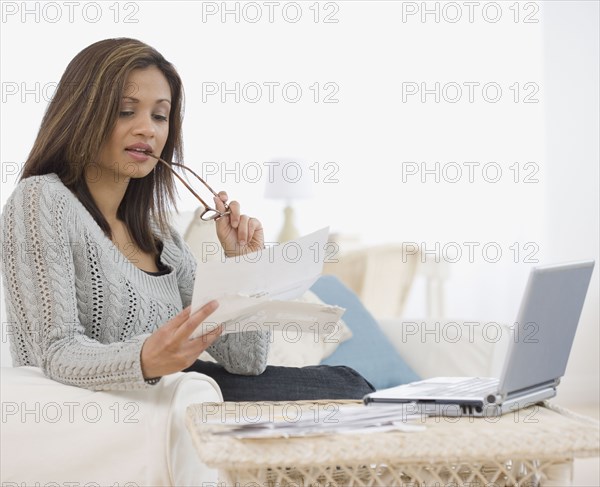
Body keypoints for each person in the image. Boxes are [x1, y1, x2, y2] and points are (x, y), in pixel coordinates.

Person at [0, 37, 374, 401]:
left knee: (347, 384)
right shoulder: (41, 199)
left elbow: (246, 362)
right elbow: (53, 352)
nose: (148, 128)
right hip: (116, 407)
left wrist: (243, 265)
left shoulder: (159, 234)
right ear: (83, 114)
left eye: (160, 115)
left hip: (176, 397)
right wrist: (145, 359)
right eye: (126, 111)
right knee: (347, 388)